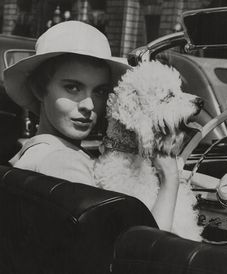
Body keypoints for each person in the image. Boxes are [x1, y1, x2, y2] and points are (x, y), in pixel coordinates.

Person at [4, 20, 179, 232]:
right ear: (39, 89)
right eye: (72, 88)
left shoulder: (34, 152)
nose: (88, 105)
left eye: (100, 91)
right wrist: (170, 179)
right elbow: (143, 253)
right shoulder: (62, 163)